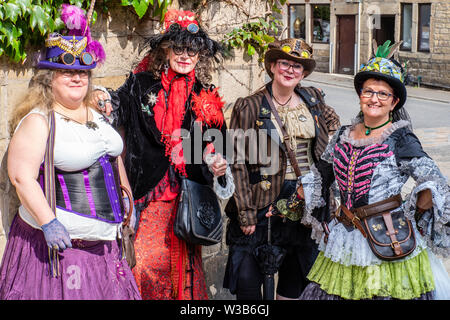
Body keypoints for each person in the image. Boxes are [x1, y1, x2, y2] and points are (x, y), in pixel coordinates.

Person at [0, 4, 141, 300]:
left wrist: (128, 201)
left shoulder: (96, 115)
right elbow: (21, 177)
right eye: (67, 73)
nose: (77, 78)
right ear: (50, 78)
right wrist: (48, 222)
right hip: (59, 254)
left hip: (106, 250)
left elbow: (113, 158)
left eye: (82, 73)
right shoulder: (39, 121)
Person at [91, 9, 234, 300]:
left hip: (187, 199)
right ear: (166, 49)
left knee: (181, 272)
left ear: (200, 54)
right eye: (179, 48)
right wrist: (102, 97)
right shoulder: (141, 84)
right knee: (143, 265)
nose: (185, 55)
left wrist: (216, 164)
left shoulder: (206, 94)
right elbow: (117, 105)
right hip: (147, 197)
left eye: (192, 49)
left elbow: (216, 147)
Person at [292, 41, 450, 300]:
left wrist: (414, 213)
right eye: (368, 92)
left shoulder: (401, 138)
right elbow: (321, 176)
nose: (374, 99)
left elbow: (433, 182)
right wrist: (296, 195)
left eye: (382, 94)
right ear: (360, 95)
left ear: (394, 101)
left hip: (388, 239)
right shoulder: (343, 134)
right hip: (345, 238)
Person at [223, 38, 340, 300]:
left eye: (297, 67)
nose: (290, 70)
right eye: (285, 63)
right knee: (250, 283)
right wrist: (245, 213)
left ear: (304, 73)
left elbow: (333, 121)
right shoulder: (250, 105)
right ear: (274, 66)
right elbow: (238, 162)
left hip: (306, 202)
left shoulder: (312, 98)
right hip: (263, 200)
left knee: (296, 281)